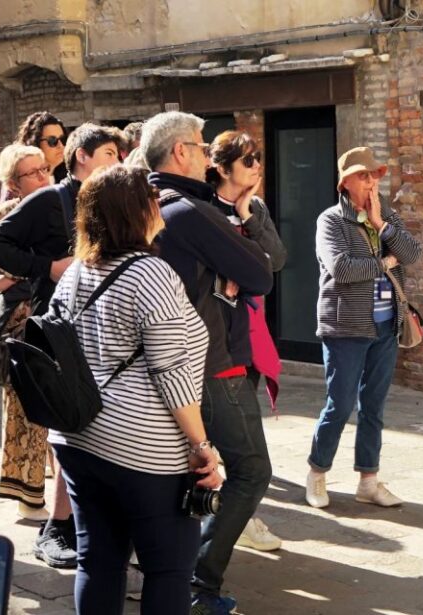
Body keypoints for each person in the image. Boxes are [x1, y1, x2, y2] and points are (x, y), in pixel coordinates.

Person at [48, 164, 222, 615]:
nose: (159, 202)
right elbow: (172, 372)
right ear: (135, 210)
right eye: (151, 196)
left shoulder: (75, 273)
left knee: (99, 561)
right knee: (168, 569)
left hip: (78, 438)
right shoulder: (151, 273)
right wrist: (202, 445)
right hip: (142, 448)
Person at [141, 111, 274, 615]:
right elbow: (261, 273)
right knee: (250, 470)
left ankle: (173, 578)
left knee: (182, 474)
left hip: (158, 363)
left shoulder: (140, 204)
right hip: (210, 364)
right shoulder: (188, 211)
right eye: (199, 147)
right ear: (180, 152)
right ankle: (200, 584)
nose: (206, 156)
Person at [0, 123, 121, 569]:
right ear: (83, 157)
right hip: (54, 331)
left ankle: (82, 521)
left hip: (100, 330)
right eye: (109, 154)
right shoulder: (49, 200)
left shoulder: (107, 201)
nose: (116, 162)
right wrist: (49, 268)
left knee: (86, 428)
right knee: (68, 427)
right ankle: (56, 528)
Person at [305, 146, 421, 509]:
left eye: (374, 175)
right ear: (345, 183)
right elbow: (342, 268)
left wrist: (381, 226)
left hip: (386, 325)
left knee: (373, 405)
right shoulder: (331, 221)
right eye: (362, 175)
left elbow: (413, 254)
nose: (371, 181)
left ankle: (368, 480)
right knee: (339, 405)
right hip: (345, 327)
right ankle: (317, 472)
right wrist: (386, 260)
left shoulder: (386, 215)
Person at [207, 129, 287, 552]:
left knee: (238, 440)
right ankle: (222, 517)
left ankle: (237, 515)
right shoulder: (202, 210)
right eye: (248, 159)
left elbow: (276, 259)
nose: (257, 165)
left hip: (250, 331)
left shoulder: (255, 207)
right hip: (214, 340)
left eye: (258, 157)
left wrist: (248, 214)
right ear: (222, 169)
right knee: (226, 445)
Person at [0, 145, 50, 520]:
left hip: (51, 322)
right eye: (32, 173)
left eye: (45, 169)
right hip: (20, 326)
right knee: (24, 411)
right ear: (13, 184)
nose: (42, 176)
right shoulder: (9, 212)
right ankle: (29, 500)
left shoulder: (54, 207)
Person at [15, 111, 68, 183]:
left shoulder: (67, 179)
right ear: (35, 143)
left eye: (62, 139)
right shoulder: (21, 182)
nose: (61, 146)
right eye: (52, 141)